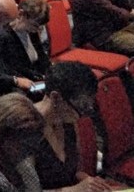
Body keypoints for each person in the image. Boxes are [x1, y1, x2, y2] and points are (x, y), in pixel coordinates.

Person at [33, 63, 112, 192]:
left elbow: (76, 170)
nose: (84, 114)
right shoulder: (24, 130)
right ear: (56, 97)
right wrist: (73, 190)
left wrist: (90, 182)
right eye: (82, 106)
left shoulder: (68, 121)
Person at [0, 0, 51, 84]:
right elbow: (15, 68)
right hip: (23, 81)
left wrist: (50, 73)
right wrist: (40, 77)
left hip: (37, 75)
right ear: (20, 14)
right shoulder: (4, 36)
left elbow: (41, 55)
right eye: (35, 25)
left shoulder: (31, 30)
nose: (38, 30)